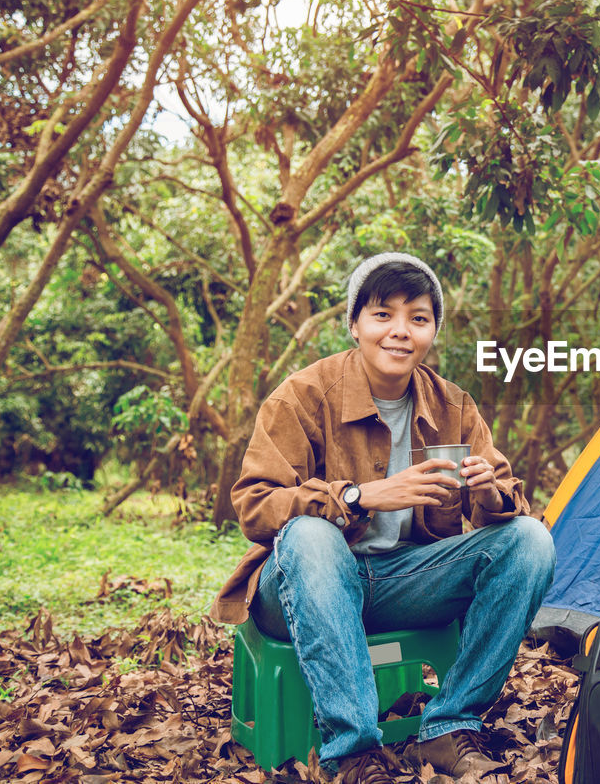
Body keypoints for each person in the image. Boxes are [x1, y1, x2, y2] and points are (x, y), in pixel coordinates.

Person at [211, 252, 556, 783]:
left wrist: (489, 492)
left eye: (418, 318)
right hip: (303, 586)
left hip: (404, 582)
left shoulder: (453, 404)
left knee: (529, 541)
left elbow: (507, 504)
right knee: (309, 534)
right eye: (382, 315)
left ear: (433, 331)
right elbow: (256, 505)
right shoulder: (303, 396)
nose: (400, 332)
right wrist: (359, 496)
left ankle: (448, 726)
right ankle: (352, 751)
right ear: (354, 325)